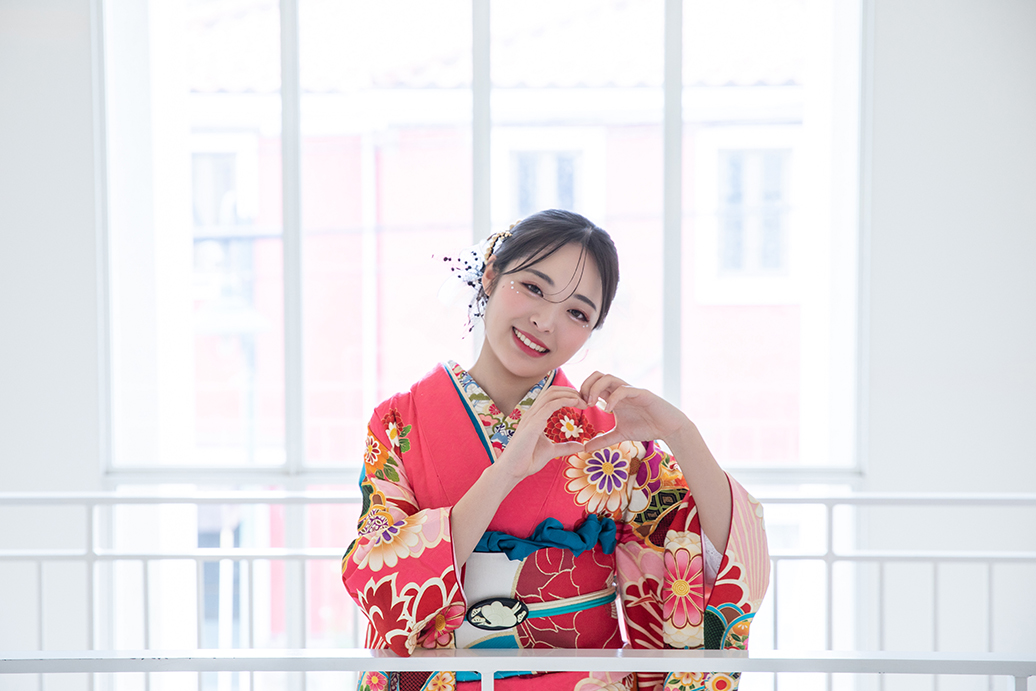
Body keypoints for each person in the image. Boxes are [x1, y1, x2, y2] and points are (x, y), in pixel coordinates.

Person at [341, 210, 770, 691]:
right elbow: (376, 580)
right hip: (438, 680)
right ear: (491, 275)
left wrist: (681, 433)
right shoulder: (398, 422)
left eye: (577, 313)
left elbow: (709, 555)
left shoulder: (609, 438)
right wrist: (503, 475)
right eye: (532, 287)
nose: (545, 321)